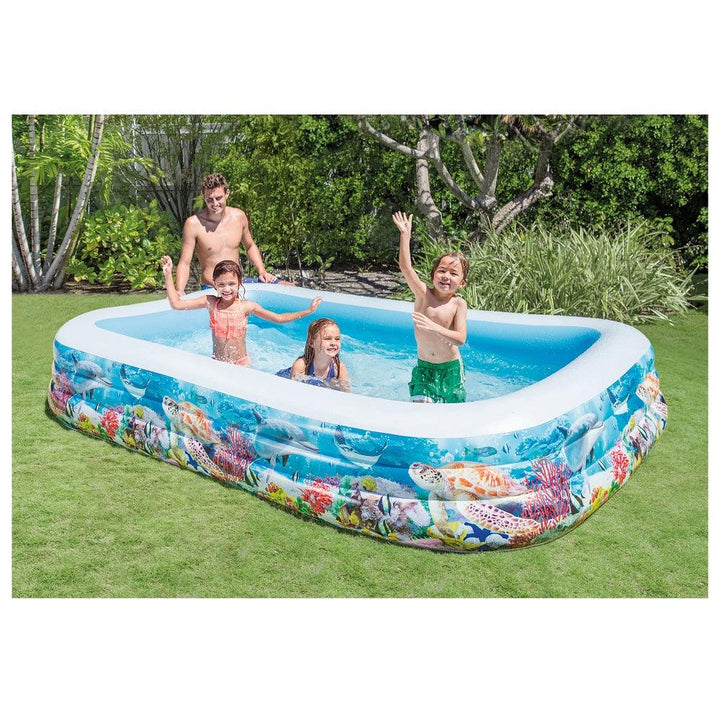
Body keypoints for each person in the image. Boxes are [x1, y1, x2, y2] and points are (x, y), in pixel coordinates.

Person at [161, 256, 321, 367]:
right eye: (221, 284)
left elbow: (279, 318)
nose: (227, 289)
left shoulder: (246, 306)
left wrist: (308, 311)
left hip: (241, 364)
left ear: (239, 283)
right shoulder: (210, 302)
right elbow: (177, 304)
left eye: (231, 284)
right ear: (214, 285)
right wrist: (168, 275)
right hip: (217, 363)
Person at [392, 211, 468, 403]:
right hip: (424, 368)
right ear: (433, 275)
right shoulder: (423, 294)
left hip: (450, 369)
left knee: (453, 415)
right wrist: (405, 236)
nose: (446, 276)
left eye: (453, 273)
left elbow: (460, 339)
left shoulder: (458, 304)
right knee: (420, 413)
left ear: (462, 283)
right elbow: (406, 268)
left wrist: (434, 327)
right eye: (442, 271)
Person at [174, 172, 288, 294]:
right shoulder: (193, 224)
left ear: (227, 193)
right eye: (209, 200)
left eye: (218, 198)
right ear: (203, 197)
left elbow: (250, 246)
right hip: (213, 288)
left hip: (238, 284)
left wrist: (262, 271)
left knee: (287, 286)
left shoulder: (239, 217)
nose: (215, 204)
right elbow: (185, 262)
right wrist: (179, 291)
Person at [290, 318, 350, 391]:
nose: (333, 343)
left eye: (337, 339)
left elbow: (346, 393)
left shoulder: (339, 368)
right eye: (327, 339)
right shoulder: (301, 366)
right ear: (312, 343)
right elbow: (293, 392)